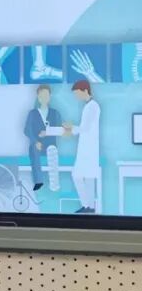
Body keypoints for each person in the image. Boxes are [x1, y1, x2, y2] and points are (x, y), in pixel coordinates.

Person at [66, 79, 100, 214]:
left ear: (85, 90)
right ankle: (89, 206)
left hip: (88, 149)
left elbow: (85, 128)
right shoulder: (89, 106)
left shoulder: (92, 106)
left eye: (77, 93)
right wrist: (72, 129)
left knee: (79, 175)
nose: (76, 96)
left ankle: (88, 206)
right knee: (87, 178)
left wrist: (71, 128)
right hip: (87, 147)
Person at [23, 85, 62, 192]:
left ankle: (54, 183)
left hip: (50, 144)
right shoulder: (32, 113)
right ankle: (38, 181)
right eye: (41, 95)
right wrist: (35, 141)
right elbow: (27, 130)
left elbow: (60, 130)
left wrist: (48, 132)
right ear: (38, 97)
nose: (44, 98)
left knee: (52, 150)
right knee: (34, 151)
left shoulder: (55, 113)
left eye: (46, 95)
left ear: (50, 97)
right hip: (36, 144)